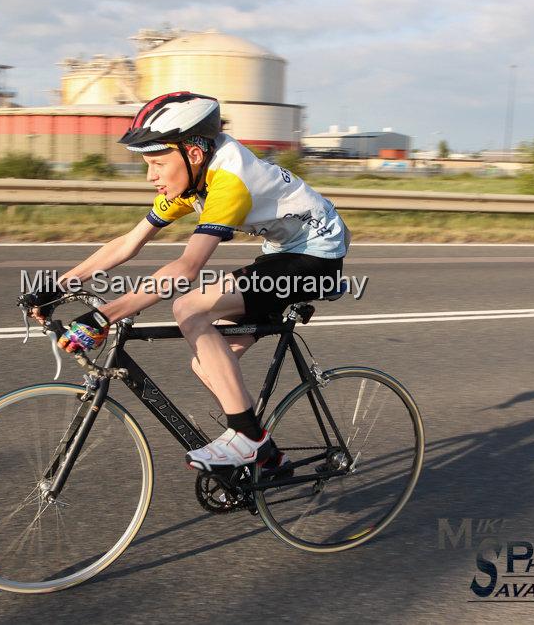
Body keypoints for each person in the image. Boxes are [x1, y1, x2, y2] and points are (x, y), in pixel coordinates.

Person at [28, 91, 349, 472]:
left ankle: (244, 438)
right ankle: (267, 454)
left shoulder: (229, 181)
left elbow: (186, 269)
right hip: (283, 253)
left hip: (317, 258)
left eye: (157, 162)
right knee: (208, 363)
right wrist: (55, 288)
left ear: (193, 154)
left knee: (189, 307)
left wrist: (103, 317)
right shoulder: (194, 178)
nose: (151, 175)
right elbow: (129, 243)